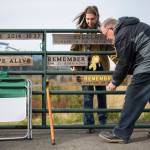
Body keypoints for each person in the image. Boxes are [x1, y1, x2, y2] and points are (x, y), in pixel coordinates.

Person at [98, 17, 150, 143]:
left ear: (111, 28)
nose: (106, 38)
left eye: (105, 34)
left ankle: (121, 133)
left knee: (133, 97)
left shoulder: (122, 34)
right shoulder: (132, 28)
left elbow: (124, 62)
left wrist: (114, 82)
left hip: (147, 66)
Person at [70, 6, 117, 133]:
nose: (90, 21)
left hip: (101, 68)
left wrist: (120, 62)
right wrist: (73, 65)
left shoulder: (103, 31)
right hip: (85, 68)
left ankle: (102, 122)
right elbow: (73, 49)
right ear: (85, 18)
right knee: (87, 96)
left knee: (102, 96)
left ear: (97, 18)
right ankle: (89, 124)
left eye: (92, 19)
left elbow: (109, 50)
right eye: (88, 19)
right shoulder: (79, 32)